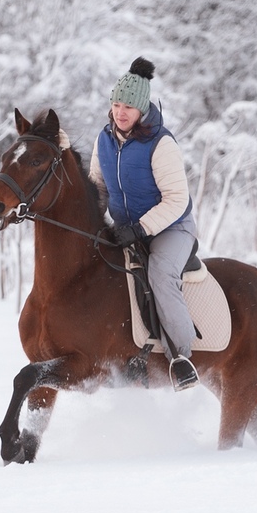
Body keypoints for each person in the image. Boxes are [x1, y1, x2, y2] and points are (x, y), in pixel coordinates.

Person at [89, 57, 200, 392]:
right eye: (116, 105)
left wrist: (139, 229)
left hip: (171, 228)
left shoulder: (161, 143)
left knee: (160, 274)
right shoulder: (105, 139)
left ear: (142, 109)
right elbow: (98, 187)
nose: (120, 113)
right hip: (126, 229)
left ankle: (182, 359)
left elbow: (176, 200)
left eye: (129, 107)